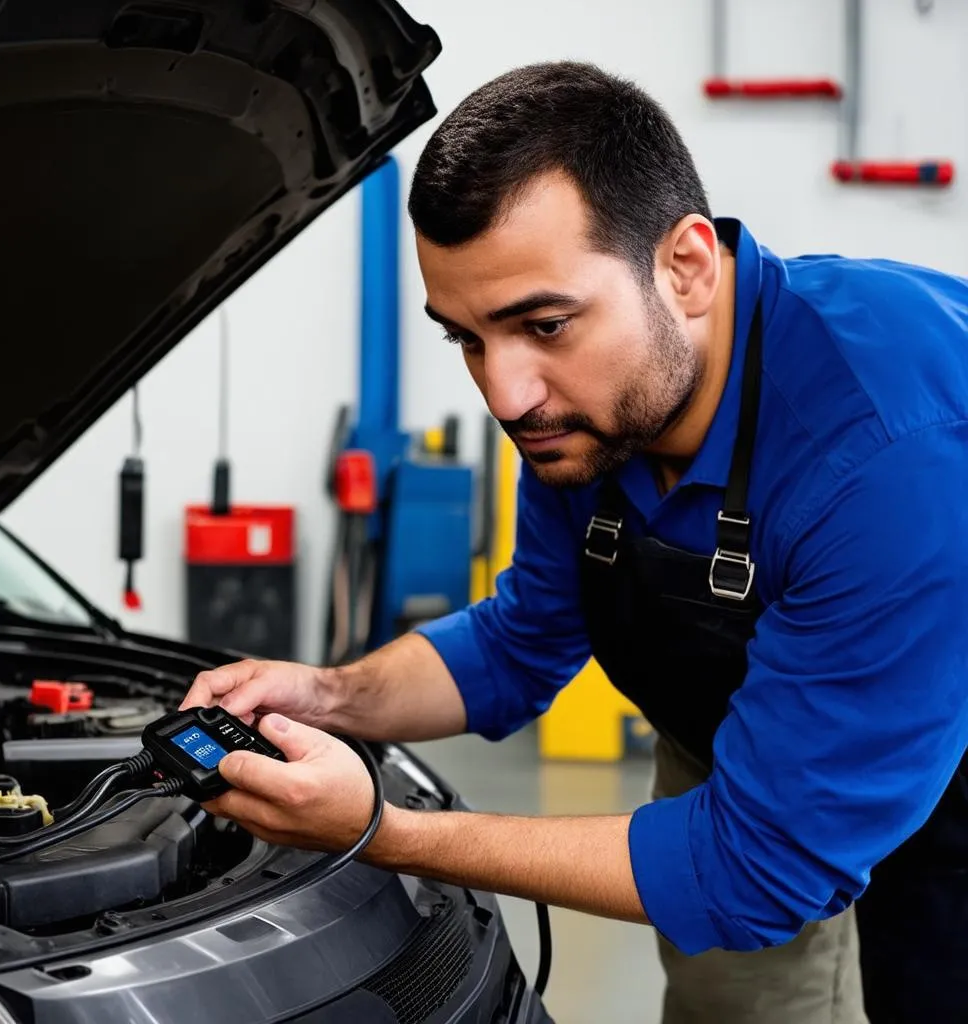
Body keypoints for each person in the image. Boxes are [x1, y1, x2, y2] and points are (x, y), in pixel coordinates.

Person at [181, 61, 968, 1024]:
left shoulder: (887, 449)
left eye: (543, 325)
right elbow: (523, 638)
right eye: (466, 339)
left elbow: (755, 870)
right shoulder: (589, 416)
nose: (505, 394)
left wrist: (386, 831)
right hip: (741, 749)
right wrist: (334, 696)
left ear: (684, 268)